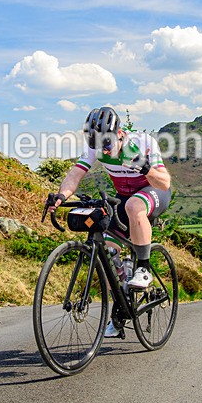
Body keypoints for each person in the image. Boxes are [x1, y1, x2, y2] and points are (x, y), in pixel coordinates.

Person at [47, 106, 172, 337]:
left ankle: (144, 270)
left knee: (134, 206)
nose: (102, 149)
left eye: (107, 143)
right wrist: (61, 195)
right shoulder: (95, 147)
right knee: (107, 250)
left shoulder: (143, 142)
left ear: (120, 134)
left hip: (152, 191)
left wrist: (145, 167)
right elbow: (75, 174)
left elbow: (164, 182)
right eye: (97, 145)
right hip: (124, 198)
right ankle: (120, 309)